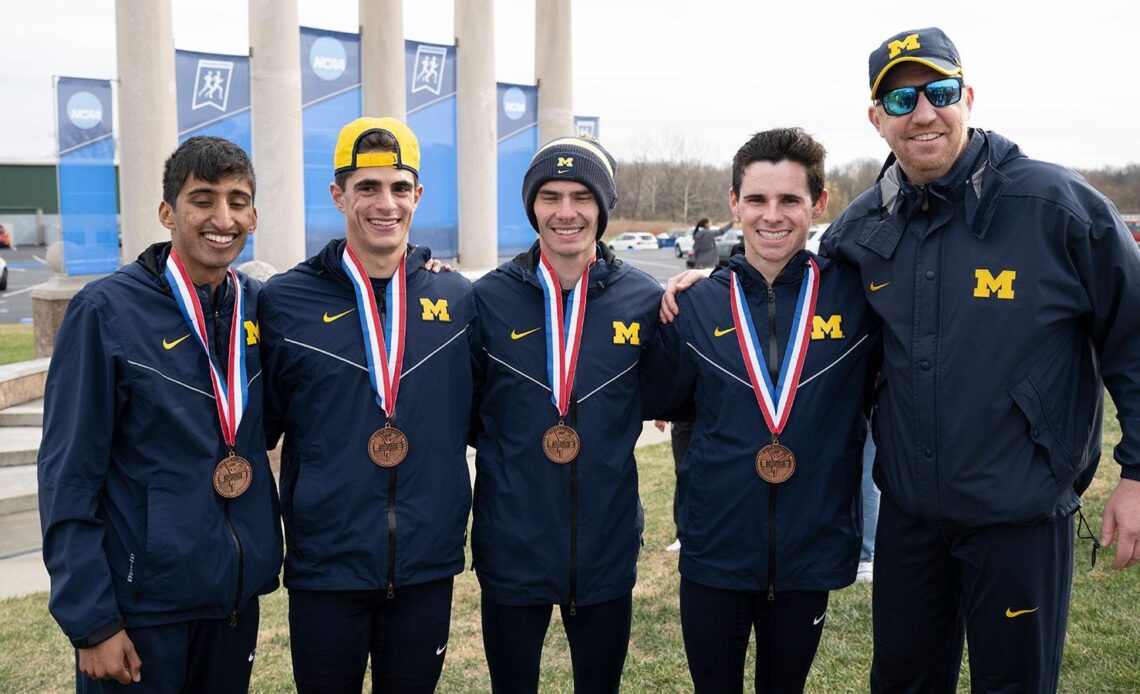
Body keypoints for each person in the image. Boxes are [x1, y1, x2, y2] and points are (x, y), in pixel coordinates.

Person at [819, 27, 1140, 692]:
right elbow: (806, 321)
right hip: (910, 518)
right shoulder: (861, 230)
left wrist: (1138, 476)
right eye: (901, 100)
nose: (924, 113)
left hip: (1018, 518)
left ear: (967, 96)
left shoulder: (1057, 209)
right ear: (877, 119)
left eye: (938, 92)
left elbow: (1133, 338)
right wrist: (712, 287)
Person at [38, 136, 282, 692]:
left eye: (238, 201)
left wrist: (417, 262)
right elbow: (68, 474)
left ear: (254, 215)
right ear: (167, 212)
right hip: (142, 608)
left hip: (231, 600)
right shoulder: (105, 312)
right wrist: (91, 620)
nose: (223, 217)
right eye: (203, 199)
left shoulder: (259, 307)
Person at [647, 128, 879, 693]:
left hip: (810, 547)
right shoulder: (695, 306)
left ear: (818, 204)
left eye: (789, 200)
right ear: (734, 203)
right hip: (715, 551)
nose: (771, 216)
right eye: (756, 199)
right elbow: (668, 402)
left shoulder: (858, 299)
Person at [258, 117, 476, 693]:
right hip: (326, 566)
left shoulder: (457, 298)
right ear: (338, 196)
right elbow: (262, 424)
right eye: (367, 188)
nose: (386, 203)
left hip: (426, 564)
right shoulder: (284, 300)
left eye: (399, 188)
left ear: (418, 196)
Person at [470, 135, 663, 693]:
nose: (565, 212)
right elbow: (469, 411)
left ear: (603, 206)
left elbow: (664, 391)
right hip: (512, 544)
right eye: (549, 196)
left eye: (581, 196)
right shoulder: (486, 300)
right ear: (531, 206)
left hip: (605, 546)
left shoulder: (644, 300)